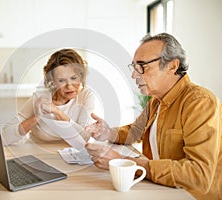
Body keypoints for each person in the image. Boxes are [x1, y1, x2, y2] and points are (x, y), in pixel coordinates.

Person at [85, 33, 221, 199]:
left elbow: (199, 174)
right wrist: (108, 133)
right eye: (134, 67)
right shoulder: (156, 101)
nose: (135, 75)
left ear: (172, 66)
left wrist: (127, 164)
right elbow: (135, 132)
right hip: (164, 190)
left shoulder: (200, 102)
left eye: (142, 66)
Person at [2, 48, 95, 144]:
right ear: (53, 80)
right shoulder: (40, 98)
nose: (69, 86)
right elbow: (5, 137)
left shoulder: (86, 96)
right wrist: (37, 117)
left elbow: (84, 138)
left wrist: (57, 112)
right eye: (61, 80)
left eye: (73, 78)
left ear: (81, 76)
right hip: (36, 153)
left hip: (69, 156)